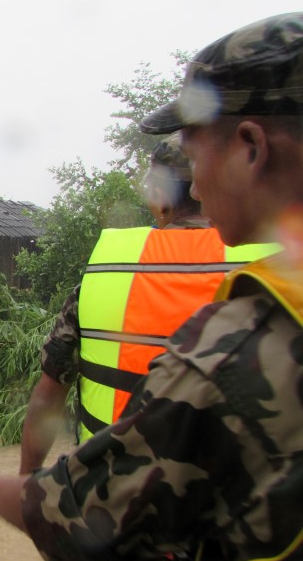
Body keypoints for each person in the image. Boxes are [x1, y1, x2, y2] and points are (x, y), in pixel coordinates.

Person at [0, 12, 303, 561]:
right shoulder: (275, 273)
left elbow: (78, 500)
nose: (196, 178)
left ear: (250, 149)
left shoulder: (236, 337)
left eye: (194, 156)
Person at [18, 134, 278, 473]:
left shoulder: (107, 272)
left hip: (109, 496)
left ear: (159, 195)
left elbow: (49, 393)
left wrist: (26, 483)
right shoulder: (276, 266)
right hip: (233, 506)